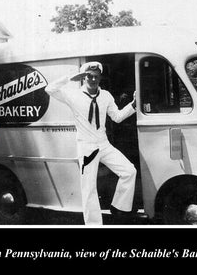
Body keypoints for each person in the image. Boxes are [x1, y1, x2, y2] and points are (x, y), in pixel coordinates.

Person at [45, 61, 138, 225]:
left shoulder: (106, 96)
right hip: (86, 147)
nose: (93, 80)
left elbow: (117, 117)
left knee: (129, 171)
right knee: (89, 188)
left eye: (96, 76)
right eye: (89, 76)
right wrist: (69, 78)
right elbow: (49, 89)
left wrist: (133, 105)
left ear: (100, 77)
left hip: (104, 144)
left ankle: (119, 207)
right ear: (83, 77)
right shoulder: (73, 95)